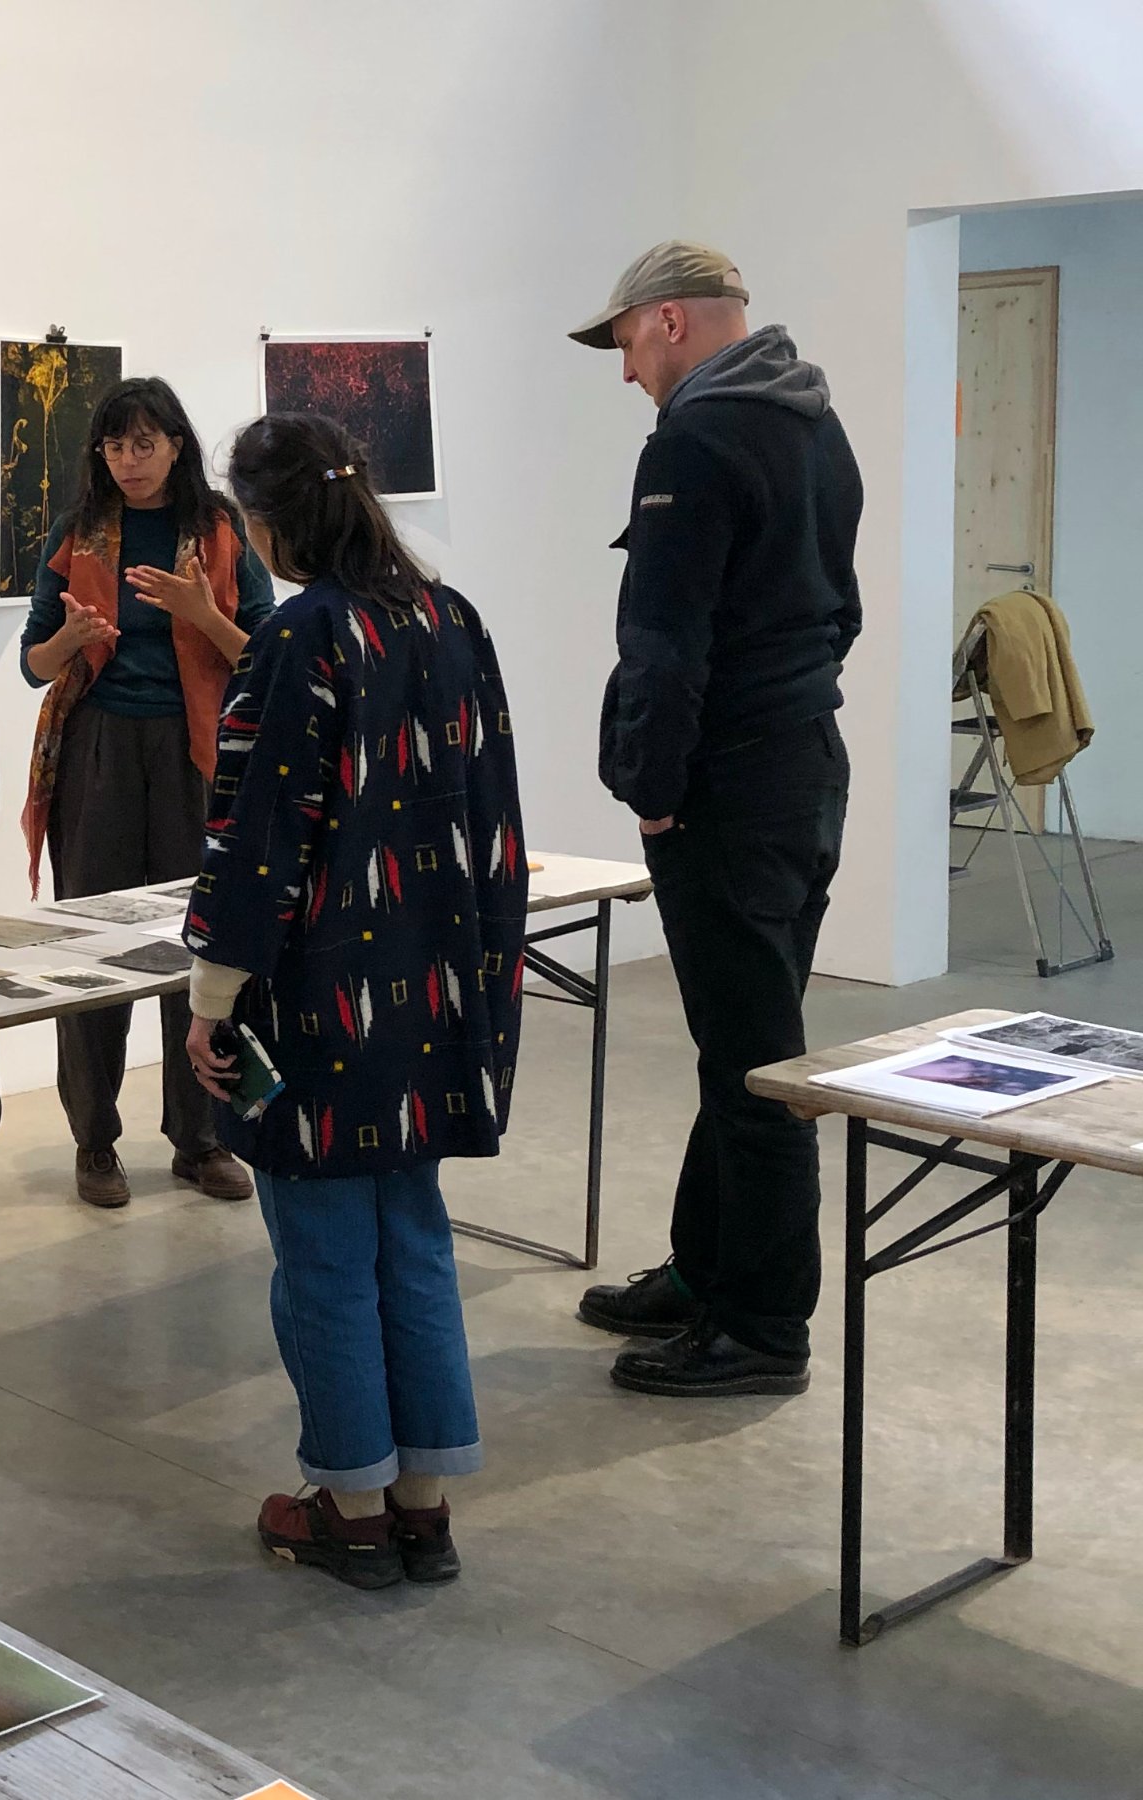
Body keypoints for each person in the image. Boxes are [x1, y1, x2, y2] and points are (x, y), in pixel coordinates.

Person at [182, 413, 526, 1591]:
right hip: (434, 992)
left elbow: (255, 838)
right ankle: (425, 1504)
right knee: (414, 1242)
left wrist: (211, 998)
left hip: (325, 1004)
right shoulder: (451, 619)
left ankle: (352, 1506)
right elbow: (493, 821)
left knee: (324, 1257)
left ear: (268, 523)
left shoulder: (300, 638)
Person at [568, 241, 861, 1398]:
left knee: (757, 1066)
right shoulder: (812, 423)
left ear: (674, 323)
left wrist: (654, 786)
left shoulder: (695, 438)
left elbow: (665, 642)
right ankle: (706, 1271)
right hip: (801, 771)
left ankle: (765, 1327)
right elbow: (837, 614)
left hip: (729, 794)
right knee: (742, 1043)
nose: (627, 369)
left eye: (629, 342)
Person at [19, 377, 276, 1209]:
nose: (130, 460)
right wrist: (71, 636)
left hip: (198, 754)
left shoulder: (221, 530)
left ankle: (200, 1138)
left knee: (197, 942)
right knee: (91, 949)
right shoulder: (78, 533)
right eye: (115, 445)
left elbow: (266, 661)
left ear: (176, 444)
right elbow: (34, 665)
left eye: (145, 443)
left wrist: (203, 614)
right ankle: (95, 1143)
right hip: (96, 749)